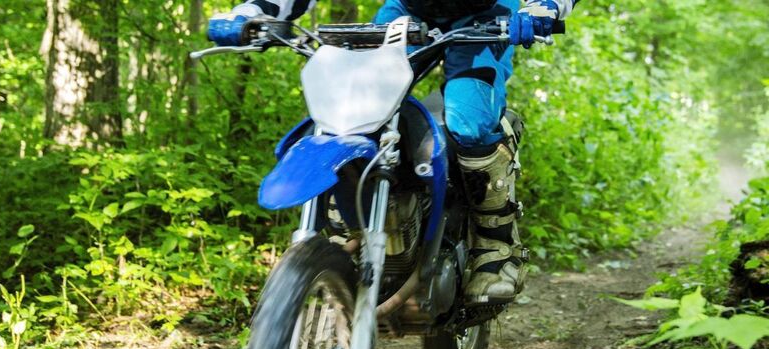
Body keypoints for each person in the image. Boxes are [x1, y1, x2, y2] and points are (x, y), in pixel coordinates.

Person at [208, 0, 578, 301]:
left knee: (470, 119)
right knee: (353, 109)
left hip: (488, 12)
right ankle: (350, 226)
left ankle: (495, 245)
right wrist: (257, 10)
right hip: (406, 12)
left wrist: (544, 7)